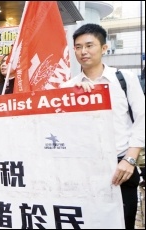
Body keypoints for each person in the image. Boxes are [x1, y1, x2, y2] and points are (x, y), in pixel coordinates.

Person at [60, 23, 145, 229]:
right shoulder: (67, 87)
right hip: (83, 171)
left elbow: (142, 119)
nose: (83, 52)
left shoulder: (124, 79)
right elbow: (63, 130)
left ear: (104, 48)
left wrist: (130, 159)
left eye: (89, 45)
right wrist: (75, 96)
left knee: (122, 223)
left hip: (120, 169)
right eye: (78, 47)